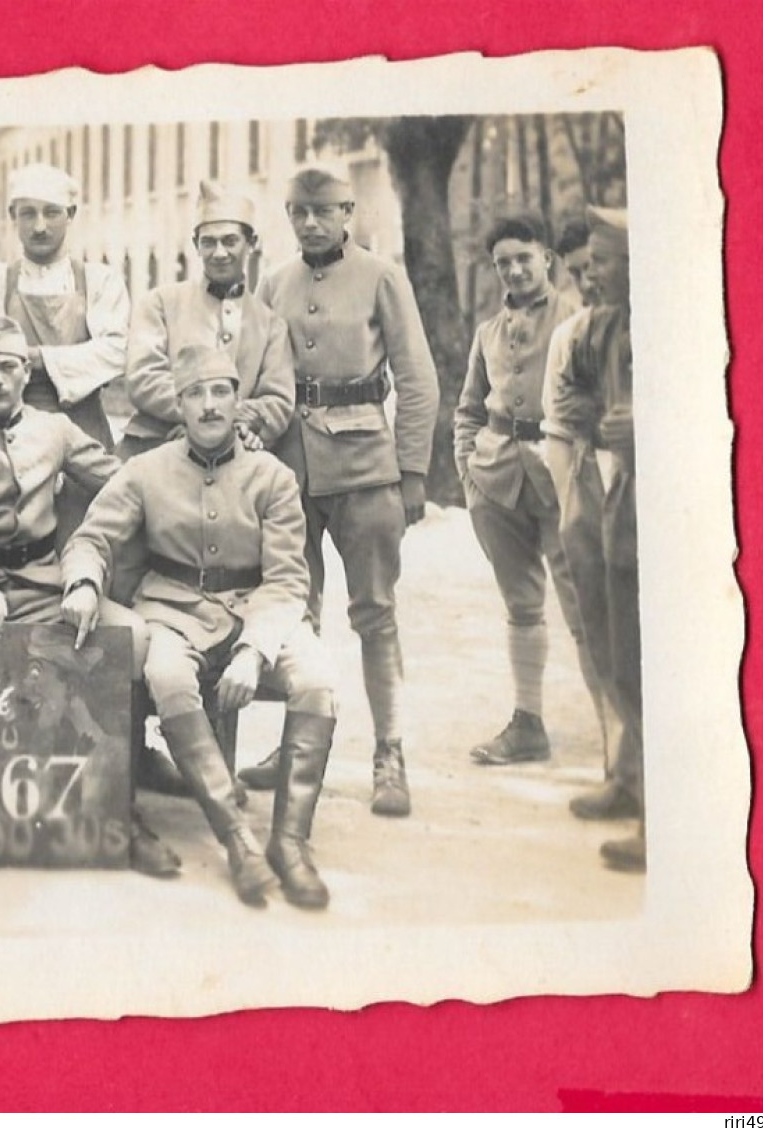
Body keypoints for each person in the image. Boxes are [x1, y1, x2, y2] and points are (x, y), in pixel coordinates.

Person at [0, 316, 180, 878]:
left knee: (135, 637)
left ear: (26, 372)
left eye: (8, 367)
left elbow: (125, 484)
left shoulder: (55, 430)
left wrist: (86, 575)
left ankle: (122, 806)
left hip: (41, 581)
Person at [61, 344, 338, 910]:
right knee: (166, 673)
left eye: (220, 392)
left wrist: (254, 650)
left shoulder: (273, 477)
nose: (209, 407)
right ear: (179, 407)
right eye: (195, 395)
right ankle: (238, 841)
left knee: (316, 678)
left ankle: (289, 844)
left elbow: (289, 580)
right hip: (172, 607)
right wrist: (85, 582)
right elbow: (90, 538)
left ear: (238, 401)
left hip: (261, 608)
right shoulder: (145, 471)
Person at [239, 164, 439, 820]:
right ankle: (299, 750)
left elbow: (417, 378)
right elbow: (260, 378)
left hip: (366, 469)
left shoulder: (383, 276)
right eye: (298, 212)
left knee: (375, 615)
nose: (311, 223)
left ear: (347, 212)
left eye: (323, 212)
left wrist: (411, 473)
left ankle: (390, 752)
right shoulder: (274, 283)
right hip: (293, 472)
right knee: (296, 613)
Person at [453, 213, 605, 768]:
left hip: (561, 478)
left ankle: (622, 741)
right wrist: (470, 471)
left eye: (524, 257)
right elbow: (468, 409)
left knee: (585, 607)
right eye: (503, 263)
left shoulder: (579, 321)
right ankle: (527, 723)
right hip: (497, 481)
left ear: (547, 258)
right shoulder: (488, 332)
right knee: (521, 605)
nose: (514, 270)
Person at [545, 206, 643, 871]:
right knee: (621, 654)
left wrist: (652, 423)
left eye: (600, 262)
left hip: (674, 515)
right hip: (618, 510)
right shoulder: (600, 328)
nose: (590, 275)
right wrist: (584, 412)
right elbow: (573, 383)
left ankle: (669, 817)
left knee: (665, 665)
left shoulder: (683, 316)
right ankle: (634, 781)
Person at [0, 164, 129, 539]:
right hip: (6, 437)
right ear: (12, 217)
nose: (40, 226)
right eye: (28, 213)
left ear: (71, 215)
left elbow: (116, 352)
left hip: (85, 431)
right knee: (12, 539)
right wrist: (75, 356)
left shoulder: (101, 280)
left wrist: (35, 359)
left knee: (88, 538)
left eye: (52, 212)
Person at [119, 180, 296, 461]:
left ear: (251, 243)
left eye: (230, 241)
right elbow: (143, 378)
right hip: (157, 450)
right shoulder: (160, 304)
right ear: (195, 245)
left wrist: (240, 422)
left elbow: (278, 401)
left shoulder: (271, 324)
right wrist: (212, 413)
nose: (219, 253)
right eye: (208, 242)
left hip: (234, 459)